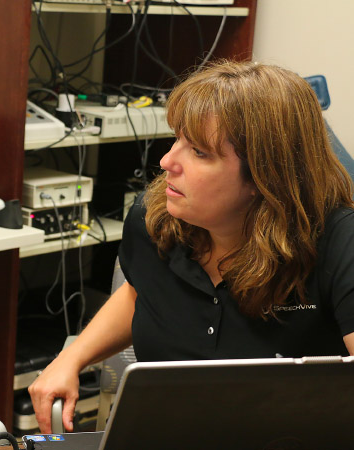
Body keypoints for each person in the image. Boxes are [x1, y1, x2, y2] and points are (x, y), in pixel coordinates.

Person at [28, 60, 354, 433]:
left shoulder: (338, 242)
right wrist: (71, 358)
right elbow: (140, 293)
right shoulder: (155, 219)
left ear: (265, 177)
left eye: (199, 152)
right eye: (177, 139)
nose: (167, 162)